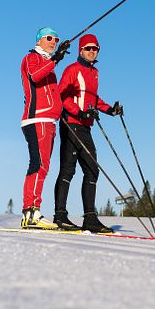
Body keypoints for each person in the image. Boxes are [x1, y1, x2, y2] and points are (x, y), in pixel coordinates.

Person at [53, 33, 123, 233]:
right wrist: (79, 111)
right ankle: (60, 215)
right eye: (89, 48)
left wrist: (110, 110)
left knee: (92, 170)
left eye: (95, 49)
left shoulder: (94, 72)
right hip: (71, 123)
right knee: (68, 169)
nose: (92, 52)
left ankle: (90, 218)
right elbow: (61, 95)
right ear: (81, 50)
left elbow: (93, 98)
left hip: (85, 126)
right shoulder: (72, 70)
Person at [20, 27, 70, 228]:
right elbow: (35, 76)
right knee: (38, 165)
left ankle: (32, 211)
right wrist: (55, 59)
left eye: (56, 39)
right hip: (37, 119)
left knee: (43, 166)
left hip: (49, 120)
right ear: (39, 40)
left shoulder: (49, 64)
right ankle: (30, 212)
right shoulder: (31, 58)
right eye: (49, 38)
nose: (53, 41)